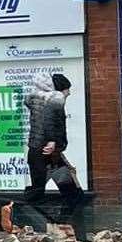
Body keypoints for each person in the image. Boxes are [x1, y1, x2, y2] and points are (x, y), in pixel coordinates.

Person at [24, 73, 78, 216]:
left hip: (42, 152)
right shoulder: (55, 101)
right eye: (67, 89)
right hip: (47, 153)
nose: (69, 92)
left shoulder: (40, 101)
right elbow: (48, 122)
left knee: (39, 191)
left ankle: (63, 220)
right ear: (60, 89)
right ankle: (66, 220)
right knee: (69, 191)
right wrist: (53, 141)